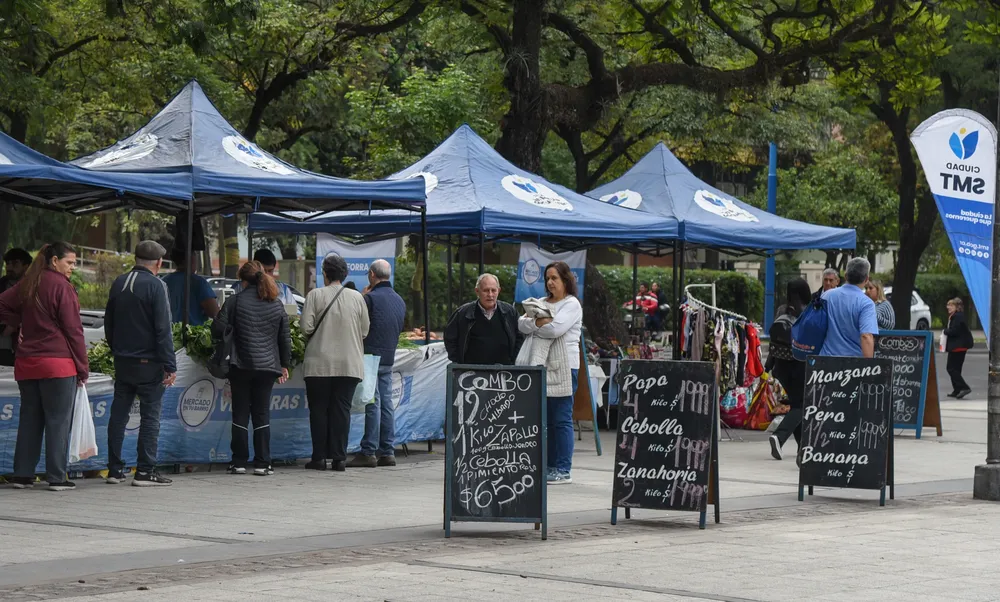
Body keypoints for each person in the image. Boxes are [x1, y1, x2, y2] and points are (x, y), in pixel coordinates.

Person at [0, 242, 87, 491]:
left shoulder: (28, 283)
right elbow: (74, 332)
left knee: (29, 419)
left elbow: (1, 304)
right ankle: (57, 477)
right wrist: (82, 367)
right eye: (69, 262)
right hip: (58, 365)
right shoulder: (63, 287)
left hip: (26, 363)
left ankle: (22, 474)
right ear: (54, 261)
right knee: (58, 421)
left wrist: (19, 323)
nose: (72, 267)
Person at [104, 241, 177, 487]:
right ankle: (145, 471)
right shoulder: (158, 286)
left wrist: (117, 349)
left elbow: (109, 322)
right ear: (158, 263)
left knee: (119, 415)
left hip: (123, 361)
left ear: (136, 259)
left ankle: (114, 470)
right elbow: (163, 328)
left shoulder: (119, 282)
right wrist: (170, 364)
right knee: (150, 416)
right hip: (149, 363)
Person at [214, 260, 291, 476]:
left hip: (240, 365)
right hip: (268, 367)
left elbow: (217, 328)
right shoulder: (276, 303)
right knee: (261, 413)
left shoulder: (235, 301)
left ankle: (239, 461)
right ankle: (262, 463)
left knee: (240, 412)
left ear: (242, 280)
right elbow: (285, 338)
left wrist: (231, 329)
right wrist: (285, 364)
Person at [301, 254, 369, 471]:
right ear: (344, 274)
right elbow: (365, 330)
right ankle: (339, 458)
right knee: (342, 410)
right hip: (349, 364)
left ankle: (319, 457)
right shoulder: (357, 297)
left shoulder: (315, 295)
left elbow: (305, 328)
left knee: (319, 410)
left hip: (318, 363)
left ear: (324, 273)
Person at [518, 261, 583, 485]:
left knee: (561, 418)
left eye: (554, 278)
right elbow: (521, 324)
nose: (550, 282)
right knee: (543, 419)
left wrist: (536, 322)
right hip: (540, 364)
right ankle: (547, 466)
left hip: (565, 366)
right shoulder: (542, 303)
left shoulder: (571, 304)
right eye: (547, 278)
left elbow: (556, 329)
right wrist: (541, 320)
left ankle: (563, 468)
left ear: (566, 280)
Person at [349, 259, 406, 468]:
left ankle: (368, 451)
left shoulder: (369, 299)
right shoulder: (399, 299)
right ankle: (388, 451)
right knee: (387, 403)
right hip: (389, 356)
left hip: (370, 355)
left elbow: (359, 327)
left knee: (372, 402)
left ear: (372, 274)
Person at [766, 279, 812, 461]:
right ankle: (779, 436)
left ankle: (802, 447)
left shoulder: (781, 309)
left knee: (796, 404)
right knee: (802, 405)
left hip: (781, 366)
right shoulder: (807, 310)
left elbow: (773, 344)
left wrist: (768, 367)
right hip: (798, 363)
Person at [444, 273, 523, 365]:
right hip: (471, 372)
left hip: (505, 372)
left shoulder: (510, 312)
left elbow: (520, 336)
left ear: (499, 290)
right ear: (477, 291)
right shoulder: (462, 313)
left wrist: (514, 359)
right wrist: (460, 362)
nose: (490, 294)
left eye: (493, 290)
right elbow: (450, 338)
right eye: (486, 290)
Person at [819, 257, 878, 358]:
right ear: (866, 279)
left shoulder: (826, 296)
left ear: (845, 276)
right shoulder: (866, 303)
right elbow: (866, 336)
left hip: (825, 360)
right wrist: (870, 367)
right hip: (852, 364)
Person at [162, 248, 219, 325]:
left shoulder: (163, 281)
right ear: (192, 258)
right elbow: (214, 312)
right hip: (193, 334)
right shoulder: (198, 282)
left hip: (168, 332)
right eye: (195, 254)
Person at [0, 248, 32, 366]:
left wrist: (15, 322)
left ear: (26, 266)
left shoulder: (34, 287)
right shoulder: (2, 284)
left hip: (27, 343)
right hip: (3, 342)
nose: (9, 268)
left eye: (15, 263)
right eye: (7, 263)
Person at [943, 297, 974, 399]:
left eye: (951, 305)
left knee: (951, 368)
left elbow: (954, 331)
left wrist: (945, 331)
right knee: (956, 369)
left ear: (957, 307)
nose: (948, 307)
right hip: (959, 346)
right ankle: (957, 390)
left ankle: (964, 387)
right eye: (948, 305)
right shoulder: (956, 316)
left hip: (958, 347)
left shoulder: (957, 317)